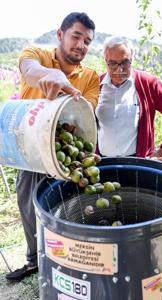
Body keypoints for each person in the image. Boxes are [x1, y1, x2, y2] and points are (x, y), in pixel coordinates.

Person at [6, 12, 99, 282]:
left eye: (88, 41)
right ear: (60, 34)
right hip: (29, 152)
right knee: (28, 204)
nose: (81, 45)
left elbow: (86, 112)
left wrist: (66, 89)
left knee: (67, 207)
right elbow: (31, 70)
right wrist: (50, 75)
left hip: (65, 155)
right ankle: (35, 260)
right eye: (76, 36)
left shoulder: (90, 77)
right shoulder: (36, 54)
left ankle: (66, 259)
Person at [95, 36, 162, 160]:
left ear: (132, 60)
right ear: (105, 60)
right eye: (113, 63)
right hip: (103, 164)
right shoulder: (95, 84)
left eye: (125, 62)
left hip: (138, 164)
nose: (119, 69)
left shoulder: (148, 83)